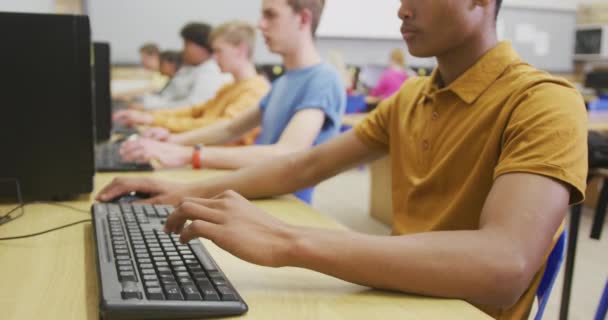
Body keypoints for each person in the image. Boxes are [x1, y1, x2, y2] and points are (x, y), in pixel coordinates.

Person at [97, 0, 588, 318]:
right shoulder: (413, 97)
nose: (402, 9)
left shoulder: (544, 101)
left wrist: (287, 239)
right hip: (398, 294)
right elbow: (302, 166)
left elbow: (504, 264)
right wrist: (180, 192)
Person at [115, 0, 346, 203]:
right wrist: (173, 142)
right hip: (258, 194)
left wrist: (188, 154)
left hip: (285, 206)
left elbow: (286, 153)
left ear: (303, 18)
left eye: (270, 14)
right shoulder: (284, 81)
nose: (260, 24)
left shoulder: (322, 79)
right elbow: (230, 128)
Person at [113, 21, 270, 147]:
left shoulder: (254, 91)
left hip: (216, 160)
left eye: (218, 51)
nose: (214, 58)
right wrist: (150, 118)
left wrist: (158, 125)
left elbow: (218, 128)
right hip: (204, 150)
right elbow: (195, 111)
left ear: (240, 49)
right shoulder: (230, 87)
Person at [136, 22, 232, 110]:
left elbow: (193, 107)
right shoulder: (192, 68)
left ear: (201, 47)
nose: (183, 50)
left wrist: (148, 108)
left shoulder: (211, 72)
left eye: (186, 45)